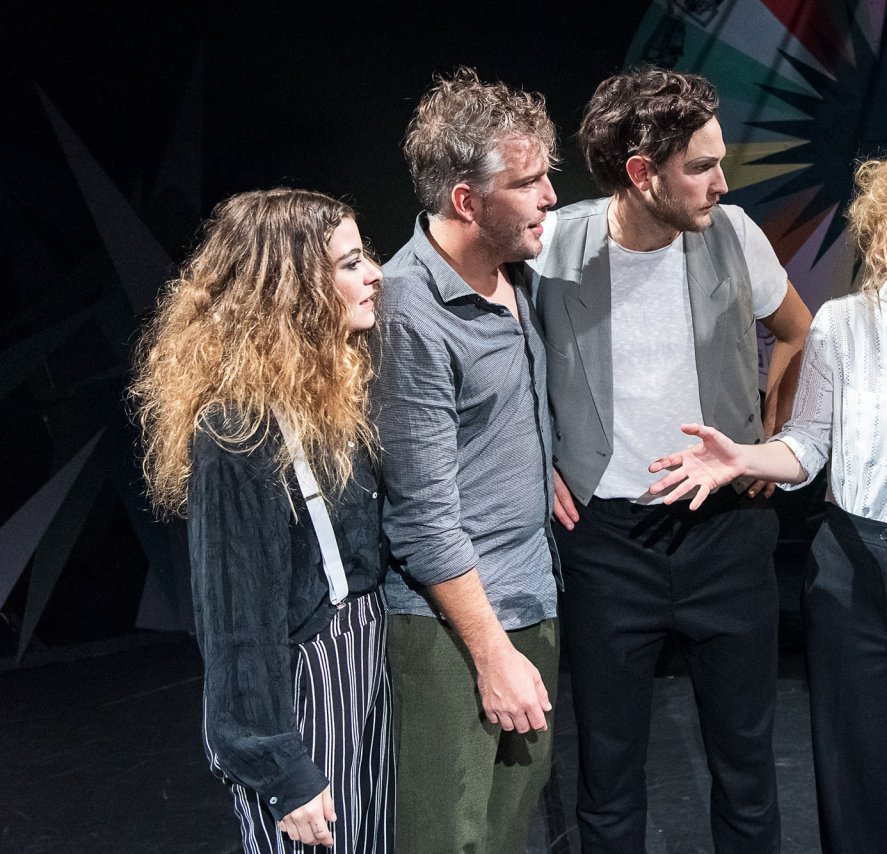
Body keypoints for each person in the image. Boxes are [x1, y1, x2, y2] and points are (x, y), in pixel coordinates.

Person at [648, 147, 887, 854]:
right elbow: (806, 445)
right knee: (859, 777)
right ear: (878, 233)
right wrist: (744, 458)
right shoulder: (839, 324)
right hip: (850, 568)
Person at [531, 67, 813, 852]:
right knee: (608, 774)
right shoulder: (553, 247)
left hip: (725, 534)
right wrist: (538, 461)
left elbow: (799, 330)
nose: (722, 184)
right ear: (641, 173)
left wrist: (770, 440)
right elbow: (504, 362)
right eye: (701, 167)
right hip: (606, 543)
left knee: (747, 769)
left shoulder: (734, 234)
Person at [130, 188, 393, 852]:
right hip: (304, 691)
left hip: (365, 666)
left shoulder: (331, 394)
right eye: (350, 264)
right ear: (292, 289)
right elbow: (235, 615)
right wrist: (281, 769)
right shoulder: (237, 428)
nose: (374, 275)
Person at [372, 68, 561, 854]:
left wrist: (540, 466)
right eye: (528, 182)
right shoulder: (407, 310)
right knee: (449, 839)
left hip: (532, 595)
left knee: (508, 835)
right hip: (454, 630)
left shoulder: (517, 276)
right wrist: (491, 653)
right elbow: (420, 515)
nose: (551, 196)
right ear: (466, 201)